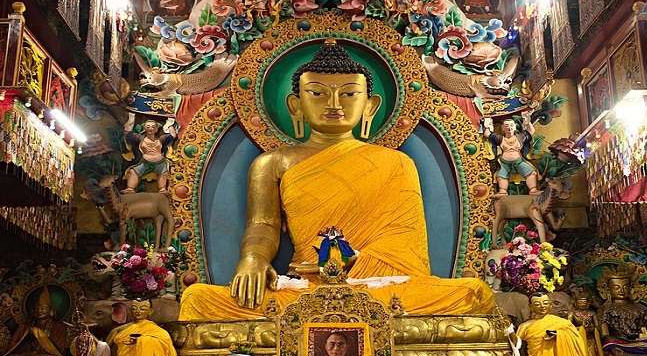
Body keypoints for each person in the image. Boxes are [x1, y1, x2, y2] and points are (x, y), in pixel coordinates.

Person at [178, 39, 495, 320]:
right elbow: (264, 224)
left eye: (348, 94)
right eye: (316, 93)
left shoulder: (398, 163)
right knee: (200, 299)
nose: (333, 104)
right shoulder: (273, 163)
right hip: (311, 288)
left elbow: (405, 252)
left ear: (369, 105)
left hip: (386, 288)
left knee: (470, 294)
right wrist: (252, 259)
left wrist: (364, 268)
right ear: (295, 105)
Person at [506, 292, 590, 356]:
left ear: (550, 305)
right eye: (537, 304)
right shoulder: (525, 326)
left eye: (545, 303)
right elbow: (516, 345)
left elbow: (577, 340)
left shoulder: (562, 323)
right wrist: (509, 330)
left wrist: (559, 335)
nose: (542, 306)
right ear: (530, 307)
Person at [106, 300, 177, 356]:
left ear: (150, 311)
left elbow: (168, 353)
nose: (138, 311)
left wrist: (141, 341)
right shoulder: (119, 330)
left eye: (142, 309)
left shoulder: (159, 332)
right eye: (134, 308)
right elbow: (105, 348)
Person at [483, 115, 539, 196]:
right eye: (507, 126)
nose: (509, 128)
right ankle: (502, 191)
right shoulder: (500, 138)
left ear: (515, 127)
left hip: (519, 162)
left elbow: (531, 131)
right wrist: (487, 123)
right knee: (500, 176)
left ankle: (533, 190)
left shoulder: (520, 137)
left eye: (512, 125)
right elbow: (487, 134)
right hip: (504, 164)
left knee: (532, 173)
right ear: (503, 128)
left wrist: (528, 121)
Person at [122, 113, 177, 194]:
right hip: (145, 163)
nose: (150, 128)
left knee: (164, 173)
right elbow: (127, 133)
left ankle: (162, 189)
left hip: (160, 163)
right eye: (148, 127)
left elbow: (173, 135)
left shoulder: (161, 139)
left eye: (153, 127)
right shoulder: (139, 138)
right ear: (145, 129)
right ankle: (130, 188)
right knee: (133, 172)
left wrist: (169, 124)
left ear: (156, 130)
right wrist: (131, 117)